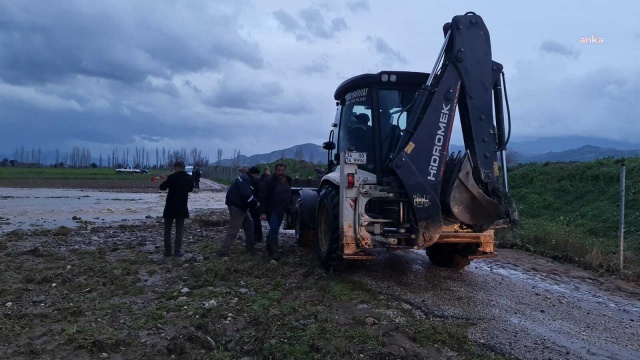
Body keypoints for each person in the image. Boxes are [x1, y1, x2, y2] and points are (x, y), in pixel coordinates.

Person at [219, 165, 261, 257]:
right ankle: (224, 252)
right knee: (233, 229)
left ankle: (250, 246)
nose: (259, 178)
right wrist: (256, 203)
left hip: (240, 206)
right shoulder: (246, 180)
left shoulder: (244, 178)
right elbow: (246, 194)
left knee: (249, 224)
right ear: (255, 174)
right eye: (258, 176)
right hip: (237, 207)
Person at [159, 160, 194, 257]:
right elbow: (190, 189)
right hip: (182, 207)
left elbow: (162, 187)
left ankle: (167, 251)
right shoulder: (189, 178)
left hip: (170, 207)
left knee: (167, 230)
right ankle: (177, 252)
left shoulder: (172, 177)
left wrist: (164, 180)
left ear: (177, 168)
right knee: (179, 231)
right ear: (183, 167)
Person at [260, 162, 292, 260]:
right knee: (274, 229)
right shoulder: (268, 181)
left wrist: (289, 205)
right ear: (275, 170)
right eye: (279, 170)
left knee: (275, 229)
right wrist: (263, 212)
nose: (281, 172)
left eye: (283, 170)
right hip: (272, 210)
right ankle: (274, 253)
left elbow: (289, 194)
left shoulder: (288, 180)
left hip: (282, 210)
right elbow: (263, 197)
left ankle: (268, 247)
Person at [248, 166, 264, 243]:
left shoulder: (255, 181)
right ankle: (258, 237)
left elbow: (256, 192)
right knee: (256, 220)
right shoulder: (258, 181)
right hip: (256, 202)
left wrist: (256, 201)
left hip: (255, 203)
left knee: (255, 220)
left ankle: (256, 237)